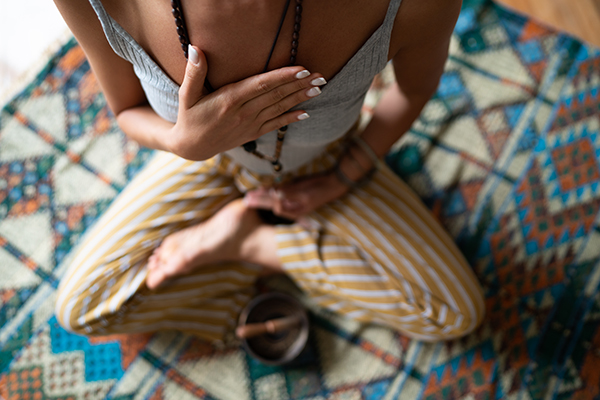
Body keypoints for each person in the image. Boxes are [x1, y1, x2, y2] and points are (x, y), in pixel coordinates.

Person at [53, 0, 485, 343]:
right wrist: (181, 143)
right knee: (81, 307)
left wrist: (342, 179)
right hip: (205, 160)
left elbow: (413, 92)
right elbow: (127, 110)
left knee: (453, 312)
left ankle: (252, 245)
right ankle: (267, 248)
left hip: (324, 166)